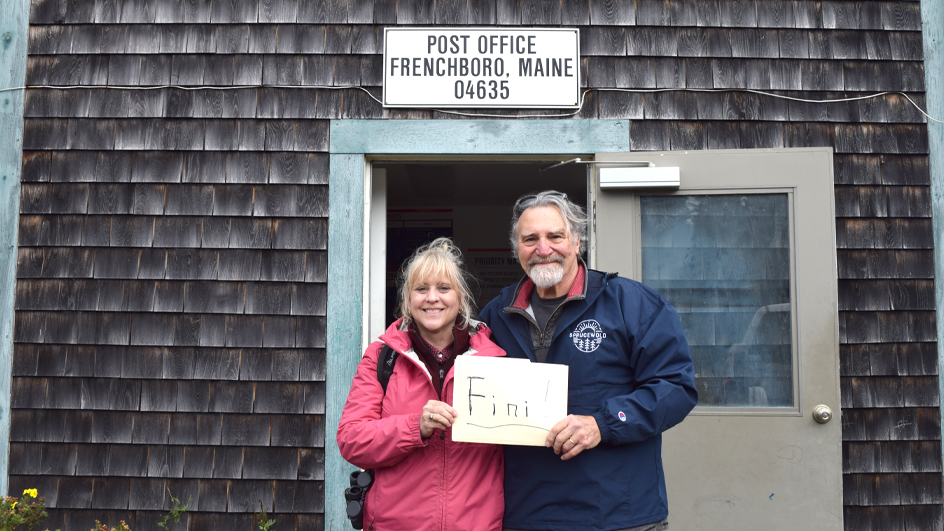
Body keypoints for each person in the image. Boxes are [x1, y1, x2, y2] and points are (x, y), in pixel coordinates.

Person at [480, 191, 698, 531]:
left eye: (555, 236)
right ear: (517, 248)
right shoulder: (495, 315)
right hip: (525, 513)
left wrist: (603, 424)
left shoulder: (632, 303)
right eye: (530, 239)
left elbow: (676, 388)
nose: (543, 249)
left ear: (577, 240)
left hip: (618, 514)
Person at [337, 237, 506, 531]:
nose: (432, 298)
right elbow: (352, 440)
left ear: (460, 298)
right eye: (421, 289)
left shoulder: (494, 359)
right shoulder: (382, 357)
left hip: (476, 524)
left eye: (443, 288)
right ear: (408, 299)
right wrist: (415, 427)